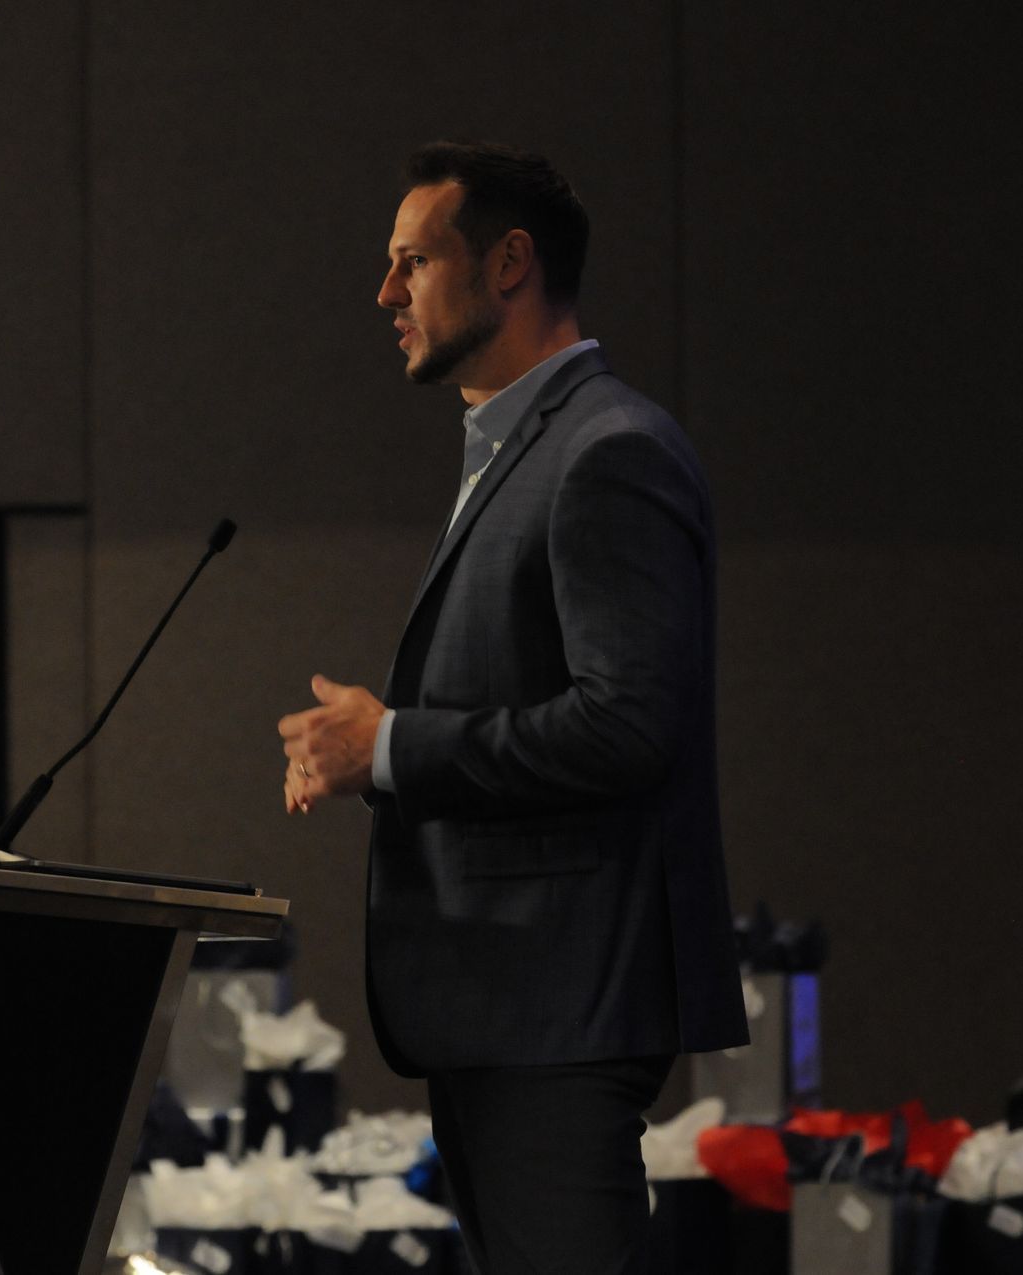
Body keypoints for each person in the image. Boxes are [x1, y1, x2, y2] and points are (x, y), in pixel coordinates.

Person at [277, 141, 747, 1275]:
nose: (385, 293)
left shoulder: (607, 453)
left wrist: (390, 745)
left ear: (509, 265)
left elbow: (628, 726)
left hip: (561, 1007)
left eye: (412, 260)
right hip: (504, 1012)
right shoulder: (518, 453)